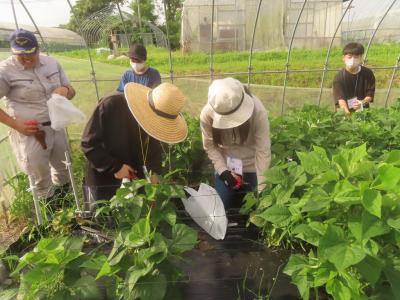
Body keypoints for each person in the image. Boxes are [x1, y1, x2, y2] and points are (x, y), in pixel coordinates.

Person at [0, 29, 76, 200]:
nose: (26, 58)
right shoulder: (5, 71)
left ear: (38, 48)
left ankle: (65, 209)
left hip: (57, 126)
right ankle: (47, 219)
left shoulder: (52, 63)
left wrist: (65, 90)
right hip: (31, 133)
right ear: (12, 51)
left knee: (64, 168)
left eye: (30, 53)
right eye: (20, 54)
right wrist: (15, 124)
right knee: (40, 177)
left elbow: (71, 91)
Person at [81, 82, 188, 201]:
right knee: (102, 215)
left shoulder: (155, 126)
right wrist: (115, 167)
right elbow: (89, 144)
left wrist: (154, 177)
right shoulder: (111, 105)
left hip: (134, 179)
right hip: (102, 178)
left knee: (133, 214)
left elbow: (153, 154)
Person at [200, 78, 271, 210]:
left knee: (257, 207)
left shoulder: (257, 111)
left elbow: (263, 151)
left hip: (253, 167)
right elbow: (210, 146)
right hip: (228, 166)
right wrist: (223, 171)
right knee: (222, 208)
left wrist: (262, 189)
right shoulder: (207, 115)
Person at [332, 42, 375, 114]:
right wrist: (347, 114)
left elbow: (370, 94)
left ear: (361, 58)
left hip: (363, 113)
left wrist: (362, 102)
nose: (352, 60)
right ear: (343, 58)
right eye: (349, 57)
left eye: (356, 57)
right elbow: (340, 99)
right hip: (344, 114)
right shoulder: (339, 77)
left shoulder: (368, 73)